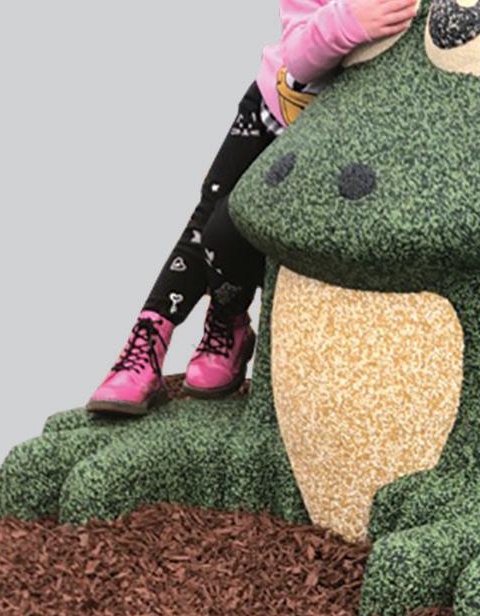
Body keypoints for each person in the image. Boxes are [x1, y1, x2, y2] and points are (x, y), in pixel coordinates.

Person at [87, 0, 419, 414]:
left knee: (232, 232)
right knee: (205, 220)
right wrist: (349, 21)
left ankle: (227, 316)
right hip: (270, 111)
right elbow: (299, 58)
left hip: (329, 148)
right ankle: (149, 340)